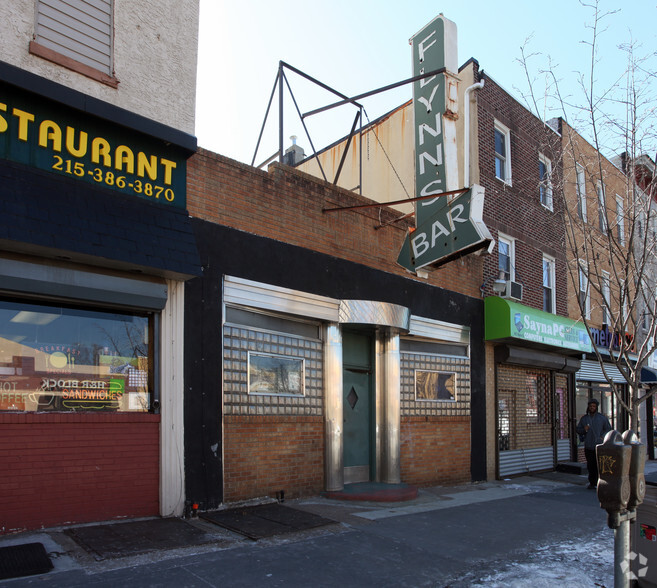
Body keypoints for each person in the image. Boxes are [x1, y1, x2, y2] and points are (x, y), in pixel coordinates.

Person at [576, 398, 612, 489]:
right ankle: (592, 482)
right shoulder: (584, 419)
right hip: (588, 445)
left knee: (598, 464)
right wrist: (584, 429)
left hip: (599, 445)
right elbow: (578, 430)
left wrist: (603, 436)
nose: (592, 408)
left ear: (596, 407)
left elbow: (608, 428)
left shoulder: (602, 418)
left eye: (594, 406)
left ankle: (599, 481)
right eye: (591, 406)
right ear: (588, 407)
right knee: (590, 465)